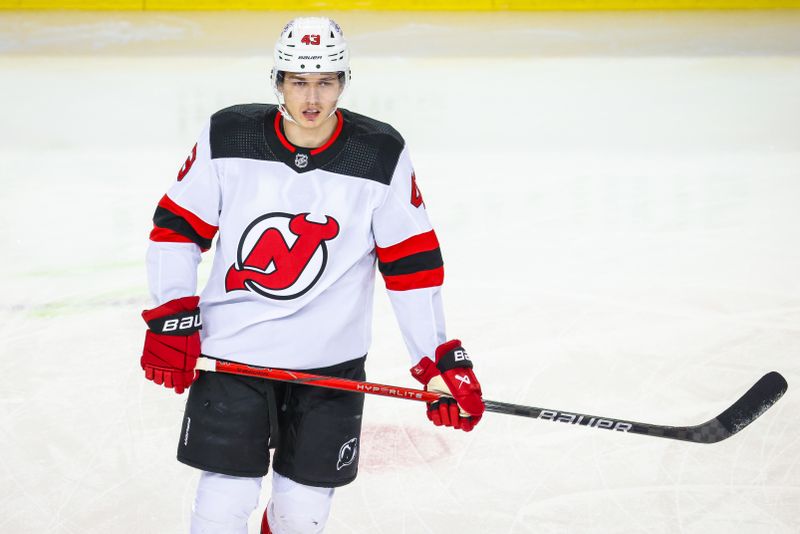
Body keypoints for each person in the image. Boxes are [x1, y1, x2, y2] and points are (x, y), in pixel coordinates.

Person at [140, 16, 485, 534]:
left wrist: (434, 360)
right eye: (298, 81)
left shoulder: (379, 153)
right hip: (237, 358)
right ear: (277, 80)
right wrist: (171, 314)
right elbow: (176, 229)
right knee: (221, 507)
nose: (312, 97)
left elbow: (412, 264)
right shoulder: (228, 134)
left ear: (344, 81)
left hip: (330, 365)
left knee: (302, 516)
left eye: (326, 81)